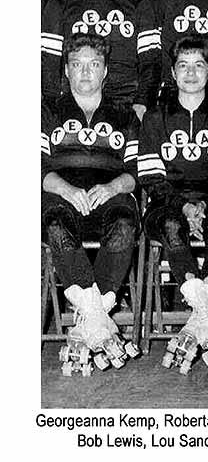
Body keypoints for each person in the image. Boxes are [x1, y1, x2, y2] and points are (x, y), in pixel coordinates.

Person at [138, 35, 208, 367]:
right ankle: (205, 314)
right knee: (171, 224)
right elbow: (151, 176)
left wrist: (206, 207)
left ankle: (199, 314)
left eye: (199, 65)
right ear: (172, 71)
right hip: (166, 202)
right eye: (183, 65)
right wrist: (183, 206)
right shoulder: (155, 118)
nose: (191, 73)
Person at [41, 33, 141, 372]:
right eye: (77, 65)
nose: (85, 72)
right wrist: (67, 190)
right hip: (61, 195)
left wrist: (113, 187)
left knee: (126, 223)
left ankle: (90, 315)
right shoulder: (46, 110)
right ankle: (99, 317)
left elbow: (136, 172)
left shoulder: (125, 114)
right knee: (53, 221)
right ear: (66, 71)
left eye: (93, 65)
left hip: (109, 194)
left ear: (105, 71)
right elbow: (35, 167)